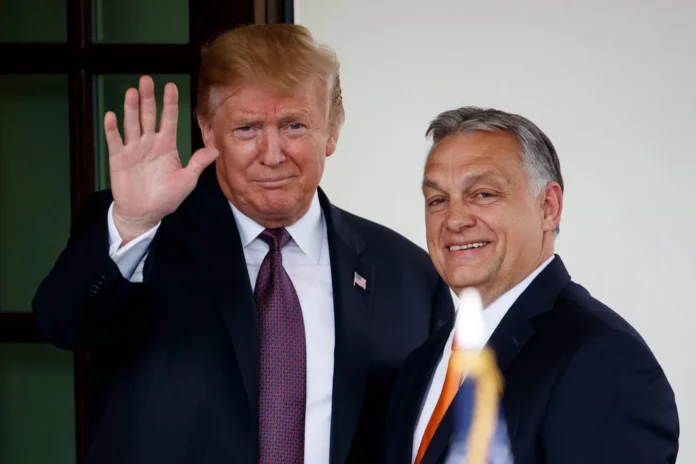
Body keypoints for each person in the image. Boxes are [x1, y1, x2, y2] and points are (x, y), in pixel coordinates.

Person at [32, 24, 454, 464]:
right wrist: (134, 223)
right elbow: (62, 324)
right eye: (247, 129)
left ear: (332, 130)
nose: (272, 155)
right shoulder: (145, 236)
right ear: (208, 131)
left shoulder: (409, 276)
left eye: (294, 126)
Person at [382, 107, 679, 463]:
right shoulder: (418, 366)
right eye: (438, 200)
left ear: (548, 208)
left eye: (483, 194)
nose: (455, 220)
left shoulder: (602, 359)